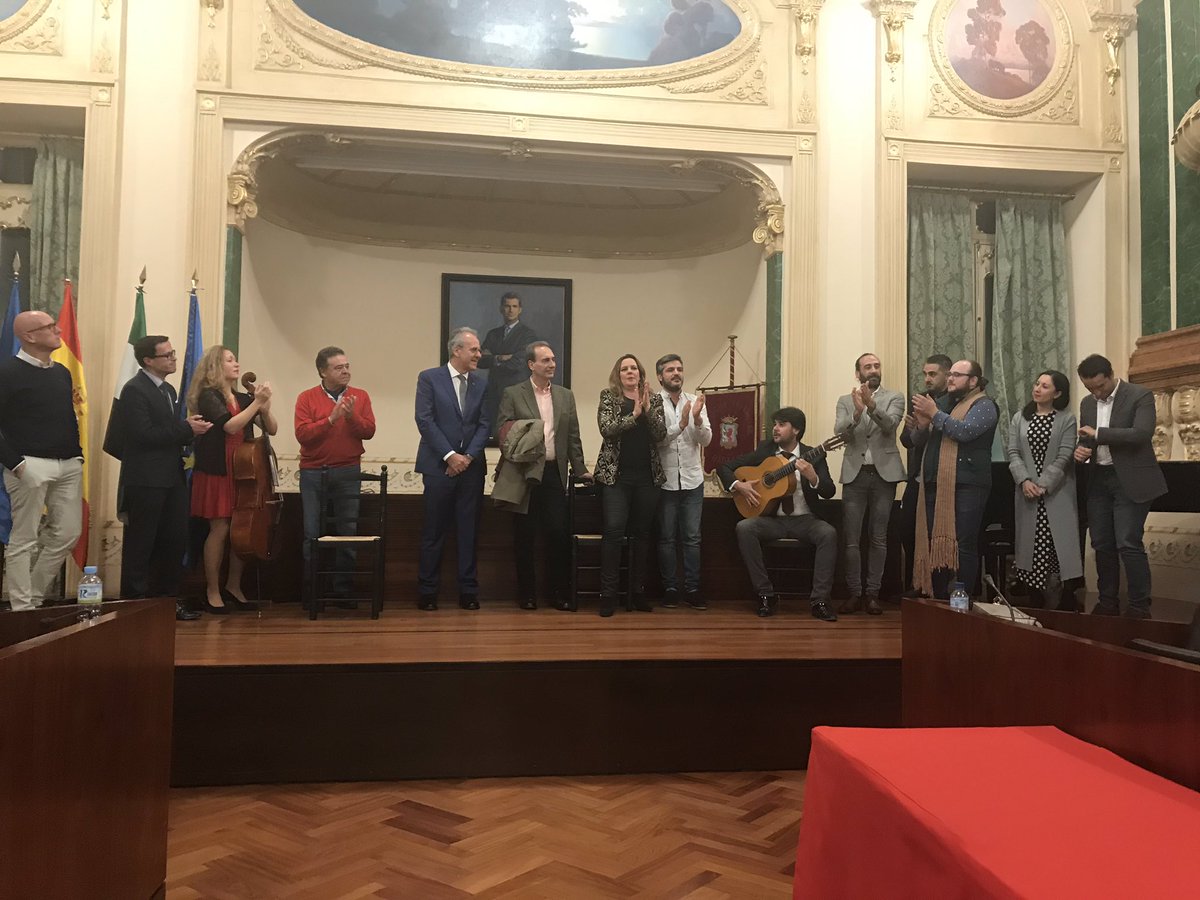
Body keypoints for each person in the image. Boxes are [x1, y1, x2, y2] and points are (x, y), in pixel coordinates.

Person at [112, 334, 211, 620]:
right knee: (142, 543)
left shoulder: (167, 391)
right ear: (148, 361)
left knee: (173, 541)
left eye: (173, 353)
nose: (174, 358)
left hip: (171, 477)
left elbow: (167, 434)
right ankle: (134, 605)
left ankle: (167, 602)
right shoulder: (134, 390)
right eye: (166, 355)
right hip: (144, 479)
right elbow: (142, 436)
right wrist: (186, 429)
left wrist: (186, 431)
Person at [494, 341, 591, 611]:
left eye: (553, 359)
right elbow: (502, 432)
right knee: (524, 536)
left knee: (558, 534)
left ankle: (557, 593)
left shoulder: (565, 396)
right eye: (545, 360)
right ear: (531, 365)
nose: (552, 365)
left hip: (553, 474)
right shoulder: (513, 393)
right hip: (523, 474)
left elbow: (572, 437)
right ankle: (526, 594)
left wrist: (580, 468)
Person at [718, 407, 839, 622]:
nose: (775, 428)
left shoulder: (815, 454)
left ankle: (820, 601)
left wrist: (813, 478)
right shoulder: (765, 451)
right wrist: (739, 486)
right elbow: (725, 467)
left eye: (781, 424)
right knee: (744, 528)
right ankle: (765, 594)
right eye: (775, 424)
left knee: (828, 534)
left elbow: (829, 491)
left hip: (805, 520)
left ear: (797, 430)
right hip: (773, 520)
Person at [0, 310, 83, 611]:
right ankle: (22, 610)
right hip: (28, 465)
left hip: (68, 464)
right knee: (23, 538)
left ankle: (34, 597)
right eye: (49, 327)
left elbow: (67, 418)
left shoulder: (61, 372)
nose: (58, 331)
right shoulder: (7, 372)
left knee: (68, 533)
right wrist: (16, 464)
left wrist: (78, 456)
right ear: (29, 336)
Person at [1073, 354, 1166, 618]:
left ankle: (1139, 606)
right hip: (1099, 480)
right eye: (1090, 388)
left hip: (1130, 479)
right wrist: (1081, 450)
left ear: (1111, 375)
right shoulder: (1087, 403)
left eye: (1100, 386)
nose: (1096, 393)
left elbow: (1141, 434)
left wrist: (1099, 435)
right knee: (1101, 542)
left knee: (1127, 541)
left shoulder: (1140, 395)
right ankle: (1107, 602)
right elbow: (1087, 440)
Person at [188, 345, 277, 614]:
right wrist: (257, 404)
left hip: (243, 466)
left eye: (235, 359)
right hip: (219, 466)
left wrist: (264, 407)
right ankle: (212, 590)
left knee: (242, 528)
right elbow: (229, 426)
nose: (236, 364)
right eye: (229, 360)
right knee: (221, 528)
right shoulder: (209, 395)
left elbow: (271, 428)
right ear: (216, 367)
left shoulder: (243, 396)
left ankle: (234, 586)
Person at [909, 359, 998, 600]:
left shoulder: (984, 405)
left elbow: (965, 432)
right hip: (933, 483)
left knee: (963, 543)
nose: (950, 378)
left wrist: (935, 414)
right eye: (949, 374)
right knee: (935, 541)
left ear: (973, 381)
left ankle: (962, 597)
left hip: (968, 485)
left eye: (957, 375)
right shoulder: (943, 404)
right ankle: (937, 597)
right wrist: (921, 426)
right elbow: (917, 442)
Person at [415, 327, 490, 611]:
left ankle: (468, 591)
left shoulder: (481, 384)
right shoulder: (429, 378)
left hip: (471, 470)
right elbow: (424, 420)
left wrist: (467, 457)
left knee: (469, 531)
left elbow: (485, 424)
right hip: (437, 467)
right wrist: (450, 456)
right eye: (474, 350)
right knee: (433, 531)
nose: (479, 355)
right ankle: (427, 592)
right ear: (456, 350)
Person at [294, 346, 376, 602]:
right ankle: (312, 593)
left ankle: (343, 592)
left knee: (347, 534)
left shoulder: (360, 396)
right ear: (322, 371)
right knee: (312, 534)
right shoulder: (306, 398)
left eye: (347, 366)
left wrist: (350, 417)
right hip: (313, 473)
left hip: (348, 473)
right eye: (338, 367)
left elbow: (369, 431)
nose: (345, 371)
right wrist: (330, 419)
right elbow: (303, 435)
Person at [594, 354, 666, 618]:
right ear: (618, 374)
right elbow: (606, 429)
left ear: (640, 372)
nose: (630, 372)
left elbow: (660, 434)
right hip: (617, 477)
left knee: (642, 535)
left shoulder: (654, 398)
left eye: (634, 368)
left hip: (647, 477)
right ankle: (608, 595)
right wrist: (633, 415)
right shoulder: (609, 397)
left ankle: (637, 593)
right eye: (624, 368)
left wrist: (645, 411)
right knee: (613, 532)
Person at [834, 353, 905, 615]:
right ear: (858, 373)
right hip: (855, 474)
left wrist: (872, 405)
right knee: (851, 539)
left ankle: (873, 594)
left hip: (884, 475)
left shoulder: (895, 397)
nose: (873, 370)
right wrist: (856, 412)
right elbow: (840, 432)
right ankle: (854, 593)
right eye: (867, 367)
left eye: (876, 366)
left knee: (879, 537)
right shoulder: (845, 400)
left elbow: (891, 426)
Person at [1006, 370, 1082, 610]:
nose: (1037, 389)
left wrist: (1043, 485)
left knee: (1055, 547)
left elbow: (1064, 455)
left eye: (1045, 386)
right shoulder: (1020, 417)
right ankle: (1034, 601)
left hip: (1056, 492)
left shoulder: (1066, 419)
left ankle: (1060, 602)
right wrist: (1025, 481)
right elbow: (1013, 452)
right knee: (1030, 548)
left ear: (1057, 393)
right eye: (1037, 383)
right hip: (1027, 493)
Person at [655, 354, 712, 610]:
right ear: (660, 376)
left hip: (692, 480)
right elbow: (657, 440)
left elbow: (707, 440)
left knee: (692, 538)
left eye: (679, 369)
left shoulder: (694, 400)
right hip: (665, 480)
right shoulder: (654, 402)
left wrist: (697, 419)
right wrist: (681, 424)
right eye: (670, 370)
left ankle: (693, 588)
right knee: (666, 538)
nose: (676, 373)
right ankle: (670, 588)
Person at [899, 355, 950, 594]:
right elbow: (906, 441)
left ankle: (938, 588)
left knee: (937, 535)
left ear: (947, 375)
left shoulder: (954, 402)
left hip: (943, 479)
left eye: (932, 374)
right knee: (908, 531)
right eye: (925, 374)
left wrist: (930, 422)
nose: (927, 379)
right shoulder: (919, 400)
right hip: (917, 478)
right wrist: (918, 427)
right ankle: (916, 582)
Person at [478, 292, 538, 437]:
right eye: (507, 306)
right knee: (495, 432)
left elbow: (517, 363)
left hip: (516, 392)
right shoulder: (493, 334)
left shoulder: (528, 334)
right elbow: (480, 360)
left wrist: (493, 358)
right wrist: (501, 358)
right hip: (494, 392)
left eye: (514, 306)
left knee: (514, 436)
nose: (510, 310)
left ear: (520, 309)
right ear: (501, 309)